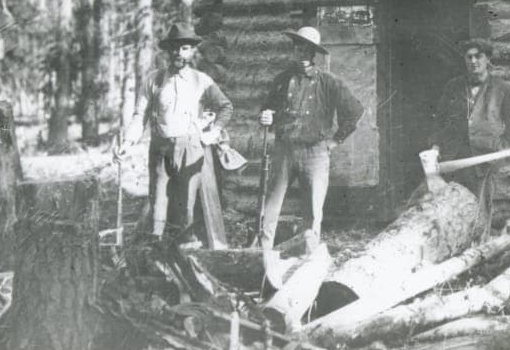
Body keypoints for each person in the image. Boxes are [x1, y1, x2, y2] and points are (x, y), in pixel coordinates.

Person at [114, 23, 234, 248]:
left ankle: (187, 250)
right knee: (158, 202)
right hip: (160, 148)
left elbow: (226, 107)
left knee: (187, 204)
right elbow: (140, 114)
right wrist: (128, 142)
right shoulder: (155, 80)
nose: (179, 53)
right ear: (168, 51)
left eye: (185, 48)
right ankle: (157, 250)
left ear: (192, 51)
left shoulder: (201, 80)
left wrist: (213, 132)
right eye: (175, 48)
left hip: (190, 147)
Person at [257, 26, 364, 252]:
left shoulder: (329, 81)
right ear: (293, 49)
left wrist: (335, 141)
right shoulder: (281, 80)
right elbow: (267, 109)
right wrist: (266, 116)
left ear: (314, 52)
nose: (302, 52)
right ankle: (262, 254)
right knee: (270, 207)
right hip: (284, 151)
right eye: (298, 47)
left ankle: (308, 256)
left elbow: (355, 111)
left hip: (315, 153)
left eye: (307, 48)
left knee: (313, 211)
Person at [429, 38, 510, 241]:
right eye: (469, 57)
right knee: (451, 206)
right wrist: (436, 147)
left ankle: (479, 249)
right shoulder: (453, 87)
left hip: (484, 159)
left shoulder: (502, 89)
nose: (473, 61)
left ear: (487, 59)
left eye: (478, 56)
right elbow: (439, 120)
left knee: (480, 208)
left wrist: (502, 149)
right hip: (454, 157)